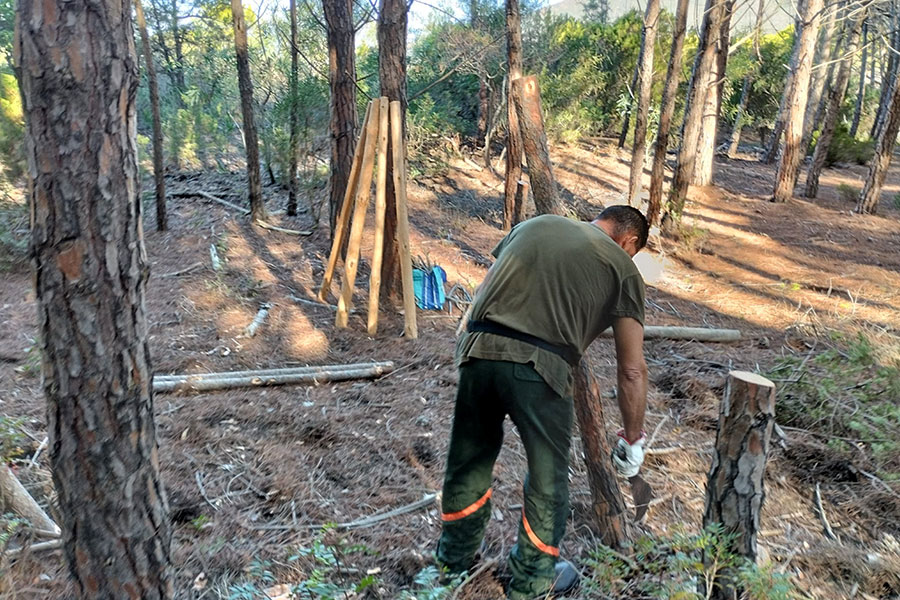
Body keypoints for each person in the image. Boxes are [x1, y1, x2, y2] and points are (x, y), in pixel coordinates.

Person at [436, 206, 650, 599]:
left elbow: (485, 292)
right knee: (548, 479)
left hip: (477, 351)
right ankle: (532, 582)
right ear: (630, 241)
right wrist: (633, 439)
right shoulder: (622, 265)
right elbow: (632, 370)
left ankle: (453, 564)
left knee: (469, 461)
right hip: (540, 365)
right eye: (633, 252)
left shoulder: (535, 225)